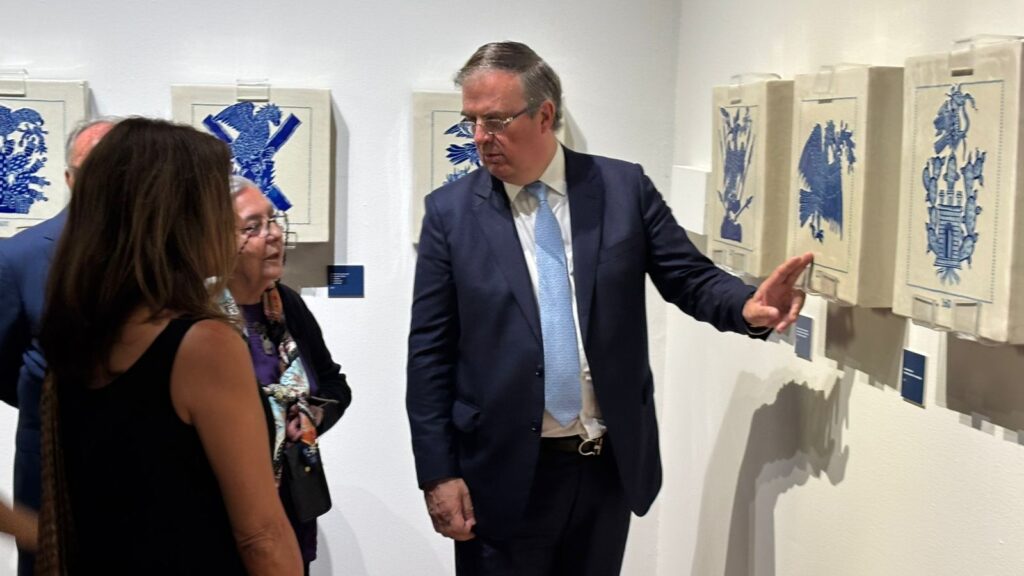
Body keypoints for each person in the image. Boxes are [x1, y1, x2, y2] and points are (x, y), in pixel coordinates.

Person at [406, 41, 813, 575]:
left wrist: (747, 305)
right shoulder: (451, 213)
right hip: (500, 472)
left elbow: (688, 277)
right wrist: (438, 473)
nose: (481, 136)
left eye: (496, 120)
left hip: (604, 468)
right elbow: (429, 353)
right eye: (472, 121)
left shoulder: (622, 189)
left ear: (544, 115)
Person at [35, 118, 302, 575]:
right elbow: (261, 535)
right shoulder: (203, 345)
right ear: (181, 217)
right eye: (214, 202)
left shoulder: (78, 331)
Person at [0, 117, 115, 575]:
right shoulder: (20, 257)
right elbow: (7, 365)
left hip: (145, 469)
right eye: (92, 169)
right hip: (51, 463)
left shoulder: (165, 257)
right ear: (69, 178)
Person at [222, 175, 352, 575]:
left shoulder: (286, 305)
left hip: (292, 508)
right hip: (224, 519)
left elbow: (334, 384)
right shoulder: (201, 319)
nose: (274, 234)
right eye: (253, 227)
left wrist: (313, 416)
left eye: (274, 220)